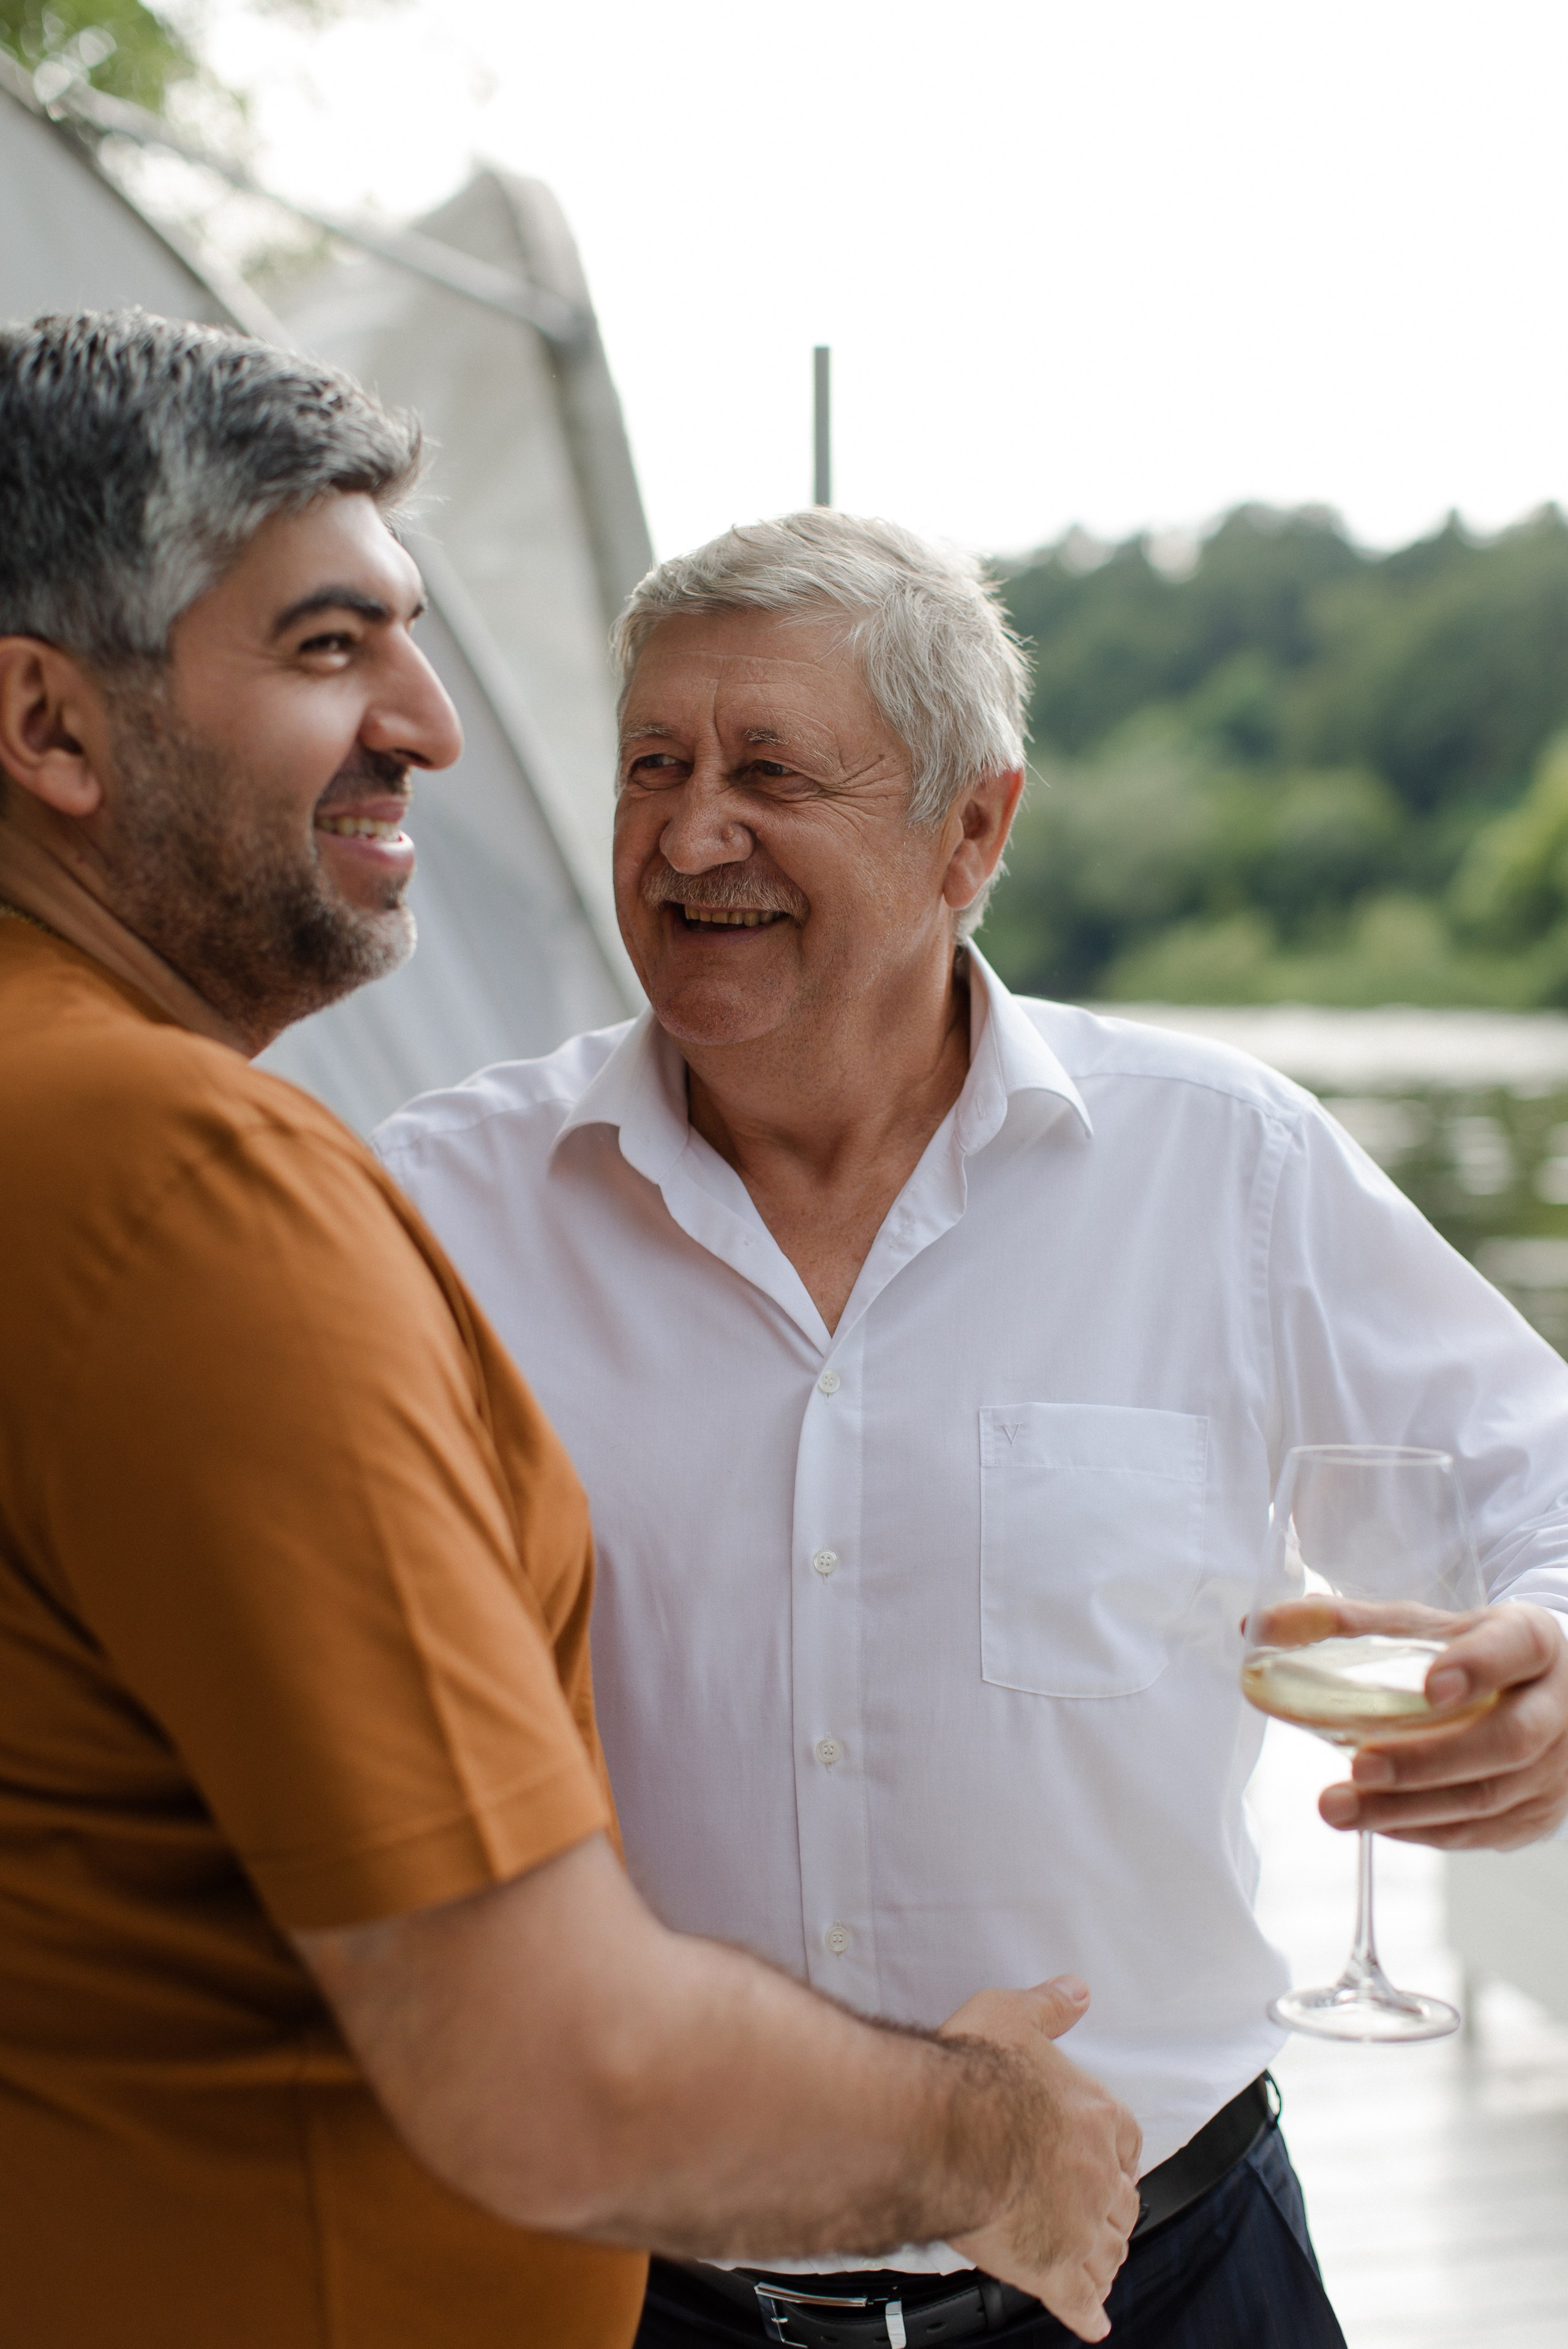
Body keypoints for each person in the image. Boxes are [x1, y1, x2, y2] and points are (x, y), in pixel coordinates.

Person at [0, 316, 1144, 2349]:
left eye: (412, 640)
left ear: (976, 834)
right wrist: (998, 2145)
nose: (433, 725)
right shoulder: (194, 1187)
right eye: (330, 646)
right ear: (51, 728)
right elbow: (554, 2068)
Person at [377, 507, 1568, 2349]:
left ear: (974, 831)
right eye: (654, 766)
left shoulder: (1222, 1167)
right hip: (634, 2300)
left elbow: (1533, 1481)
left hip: (1166, 2282)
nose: (693, 834)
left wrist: (1554, 1657)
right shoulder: (436, 1213)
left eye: (771, 770)